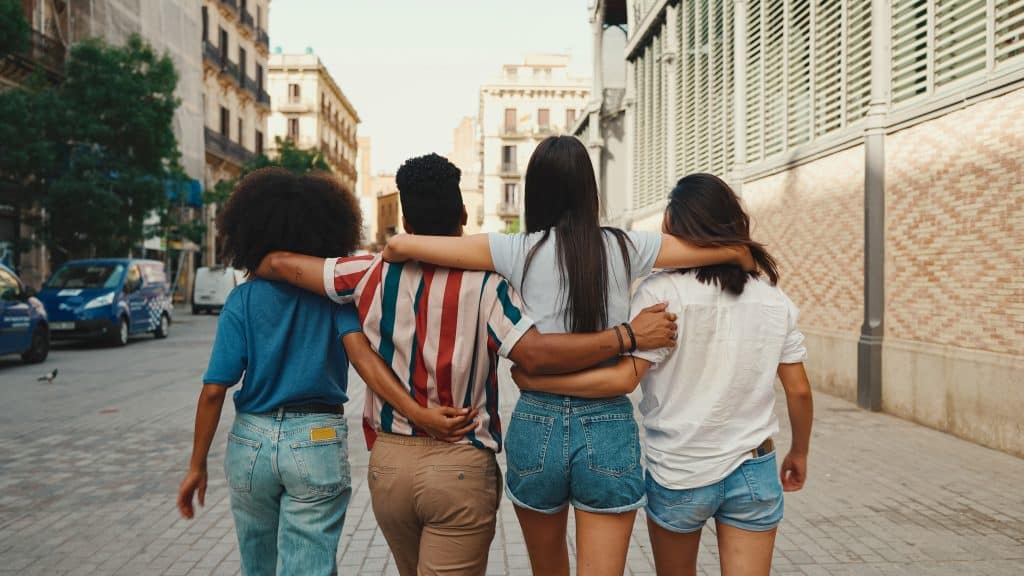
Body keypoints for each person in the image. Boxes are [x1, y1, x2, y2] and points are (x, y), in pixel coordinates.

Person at [254, 153, 679, 576]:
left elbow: (278, 264)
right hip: (461, 464)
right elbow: (533, 352)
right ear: (463, 214)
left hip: (390, 464)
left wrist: (261, 265)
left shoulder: (367, 273)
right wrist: (627, 336)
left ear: (404, 219)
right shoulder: (490, 285)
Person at [383, 137, 754, 576]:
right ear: (588, 190)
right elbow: (703, 251)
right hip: (608, 426)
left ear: (534, 191)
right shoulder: (626, 247)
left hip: (535, 424)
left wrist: (397, 247)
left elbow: (414, 248)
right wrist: (738, 252)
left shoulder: (515, 249)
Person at [177, 169, 477, 576]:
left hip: (250, 443)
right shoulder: (333, 299)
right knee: (310, 565)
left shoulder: (242, 300)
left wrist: (197, 465)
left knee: (256, 563)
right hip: (315, 437)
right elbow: (363, 360)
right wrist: (416, 410)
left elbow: (214, 391)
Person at [513, 173, 815, 576]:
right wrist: (799, 452)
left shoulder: (661, 294)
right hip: (755, 468)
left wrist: (540, 381)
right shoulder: (774, 300)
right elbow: (798, 390)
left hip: (680, 470)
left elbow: (622, 381)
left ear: (676, 229)